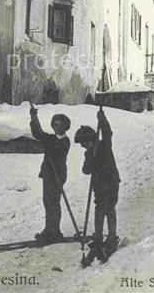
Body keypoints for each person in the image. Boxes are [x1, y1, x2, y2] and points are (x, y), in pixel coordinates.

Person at [74, 109, 121, 261]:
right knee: (99, 210)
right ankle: (99, 237)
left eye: (83, 142)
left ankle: (112, 237)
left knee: (109, 208)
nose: (82, 146)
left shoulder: (104, 145)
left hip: (111, 182)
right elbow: (86, 171)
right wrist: (90, 160)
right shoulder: (89, 153)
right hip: (99, 186)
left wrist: (102, 119)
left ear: (91, 139)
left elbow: (108, 133)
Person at [29, 104, 71, 244]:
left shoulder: (65, 141)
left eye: (60, 125)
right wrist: (33, 118)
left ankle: (55, 231)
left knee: (54, 202)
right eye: (55, 124)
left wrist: (48, 143)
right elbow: (37, 134)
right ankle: (49, 229)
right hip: (48, 174)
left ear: (65, 127)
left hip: (57, 175)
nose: (57, 127)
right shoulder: (51, 139)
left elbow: (55, 151)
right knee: (48, 202)